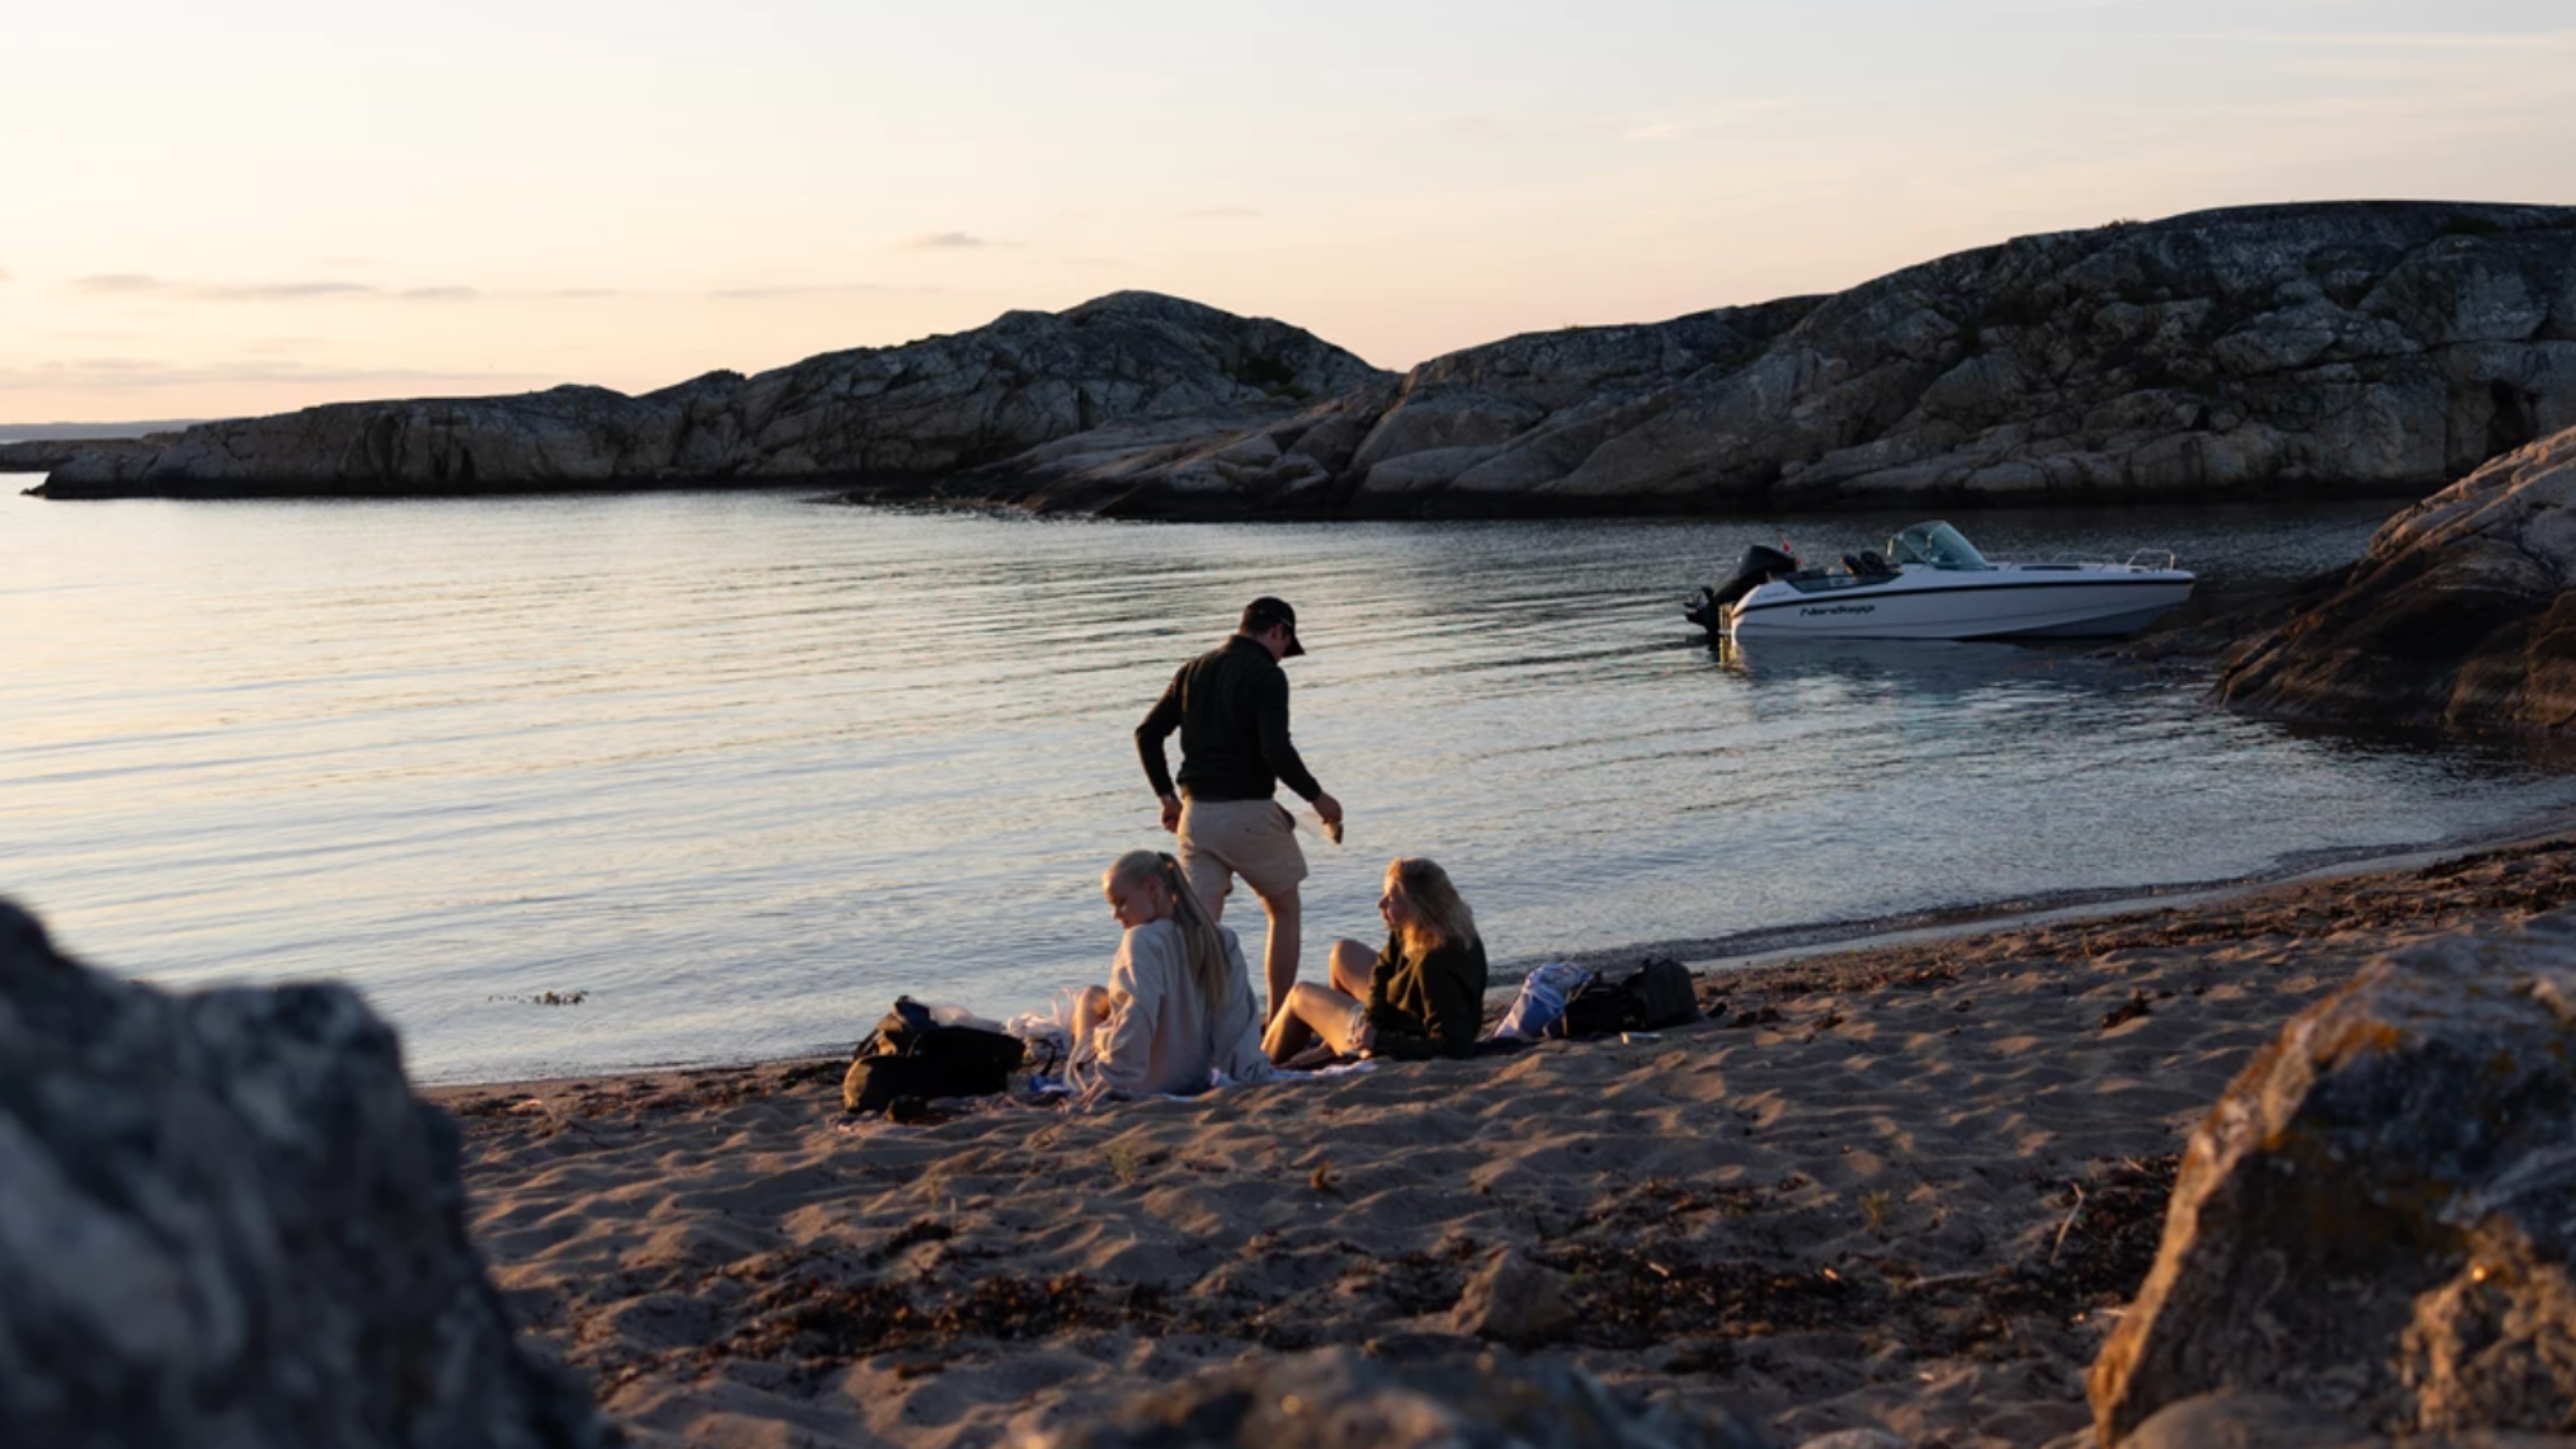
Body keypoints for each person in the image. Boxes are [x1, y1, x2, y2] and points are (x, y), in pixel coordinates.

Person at [1135, 597, 1344, 1024]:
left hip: (1196, 819)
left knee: (1198, 931)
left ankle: (1186, 1026)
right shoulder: (1267, 676)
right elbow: (1275, 749)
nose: (1284, 654)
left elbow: (1147, 734)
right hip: (1248, 814)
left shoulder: (1193, 669)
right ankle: (1281, 1019)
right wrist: (1317, 798)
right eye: (1286, 645)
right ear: (1278, 632)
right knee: (1283, 911)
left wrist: (1166, 798)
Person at [1065, 849, 1276, 1103]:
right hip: (1194, 1079)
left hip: (1138, 1082)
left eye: (1121, 902)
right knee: (1103, 998)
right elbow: (1235, 1021)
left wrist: (1109, 1081)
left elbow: (1138, 1015)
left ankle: (1079, 1072)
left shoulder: (1141, 940)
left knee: (1089, 997)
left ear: (1153, 889)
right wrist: (1249, 1073)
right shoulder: (1220, 938)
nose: (1116, 915)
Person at [1262, 857, 1487, 1066]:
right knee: (1343, 952)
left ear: (1416, 907)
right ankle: (1330, 1046)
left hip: (1397, 1042)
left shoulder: (1434, 964)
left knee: (1299, 996)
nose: (1380, 904)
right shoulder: (1415, 929)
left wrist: (1379, 1040)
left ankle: (1258, 1064)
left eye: (1391, 899)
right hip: (1397, 1016)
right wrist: (1372, 1019)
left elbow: (1454, 1047)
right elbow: (1383, 971)